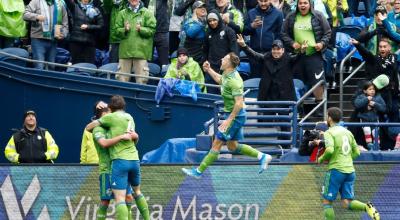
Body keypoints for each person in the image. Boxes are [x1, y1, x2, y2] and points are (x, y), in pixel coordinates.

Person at [182, 52, 273, 178]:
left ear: (229, 64)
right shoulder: (226, 74)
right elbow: (220, 80)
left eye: (224, 59)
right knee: (232, 146)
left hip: (235, 117)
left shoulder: (235, 81)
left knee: (217, 143)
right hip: (233, 115)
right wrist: (208, 70)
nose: (221, 59)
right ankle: (263, 156)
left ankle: (198, 171)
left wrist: (229, 120)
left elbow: (239, 103)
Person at [85, 95, 149, 220]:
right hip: (107, 169)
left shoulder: (114, 124)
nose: (111, 116)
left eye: (110, 113)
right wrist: (121, 137)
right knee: (105, 201)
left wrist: (135, 136)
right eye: (107, 114)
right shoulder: (98, 129)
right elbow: (102, 142)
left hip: (119, 165)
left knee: (128, 197)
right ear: (101, 116)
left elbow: (131, 140)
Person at [317, 107, 380, 220]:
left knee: (327, 202)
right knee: (346, 202)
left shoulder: (329, 132)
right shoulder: (348, 132)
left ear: (329, 118)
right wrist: (346, 159)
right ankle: (367, 207)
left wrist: (321, 159)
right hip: (350, 171)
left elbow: (330, 150)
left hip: (336, 170)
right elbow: (357, 152)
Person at [281, 0, 331, 116]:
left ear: (310, 4)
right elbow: (283, 34)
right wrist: (293, 43)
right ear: (297, 5)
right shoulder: (291, 16)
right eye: (300, 3)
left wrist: (322, 44)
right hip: (297, 55)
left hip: (314, 54)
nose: (303, 5)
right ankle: (299, 108)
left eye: (305, 3)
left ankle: (319, 108)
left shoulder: (318, 15)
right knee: (297, 83)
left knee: (317, 82)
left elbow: (328, 32)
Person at [115, 0, 156, 84]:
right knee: (122, 81)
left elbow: (152, 30)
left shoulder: (147, 13)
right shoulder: (122, 13)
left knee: (141, 82)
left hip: (141, 52)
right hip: (125, 52)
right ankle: (121, 97)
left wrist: (141, 29)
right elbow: (116, 31)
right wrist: (124, 30)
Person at [23, 0, 69, 70]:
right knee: (39, 65)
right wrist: (36, 17)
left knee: (51, 66)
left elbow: (65, 24)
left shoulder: (60, 4)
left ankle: (47, 81)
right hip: (38, 39)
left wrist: (64, 34)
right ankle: (38, 81)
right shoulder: (35, 1)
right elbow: (25, 15)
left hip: (53, 40)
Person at [243, 0, 284, 78]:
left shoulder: (278, 14)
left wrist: (277, 50)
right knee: (255, 80)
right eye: (261, 1)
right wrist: (252, 26)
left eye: (265, 1)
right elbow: (244, 31)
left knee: (270, 81)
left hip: (270, 54)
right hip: (254, 53)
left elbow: (280, 34)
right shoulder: (251, 12)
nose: (263, 3)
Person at [203, 10, 238, 93]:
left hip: (226, 68)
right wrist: (204, 62)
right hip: (211, 68)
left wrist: (232, 65)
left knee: (225, 95)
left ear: (219, 19)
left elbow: (234, 51)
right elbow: (205, 50)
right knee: (211, 94)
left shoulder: (229, 31)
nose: (212, 23)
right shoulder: (208, 33)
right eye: (210, 21)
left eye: (214, 20)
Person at [353, 81, 386, 149]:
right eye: (370, 89)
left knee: (375, 132)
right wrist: (366, 99)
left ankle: (377, 146)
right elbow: (357, 104)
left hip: (375, 119)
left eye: (373, 89)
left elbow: (383, 108)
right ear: (365, 91)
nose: (372, 91)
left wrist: (374, 104)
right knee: (367, 130)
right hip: (364, 119)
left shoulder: (378, 97)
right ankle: (369, 145)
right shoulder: (361, 96)